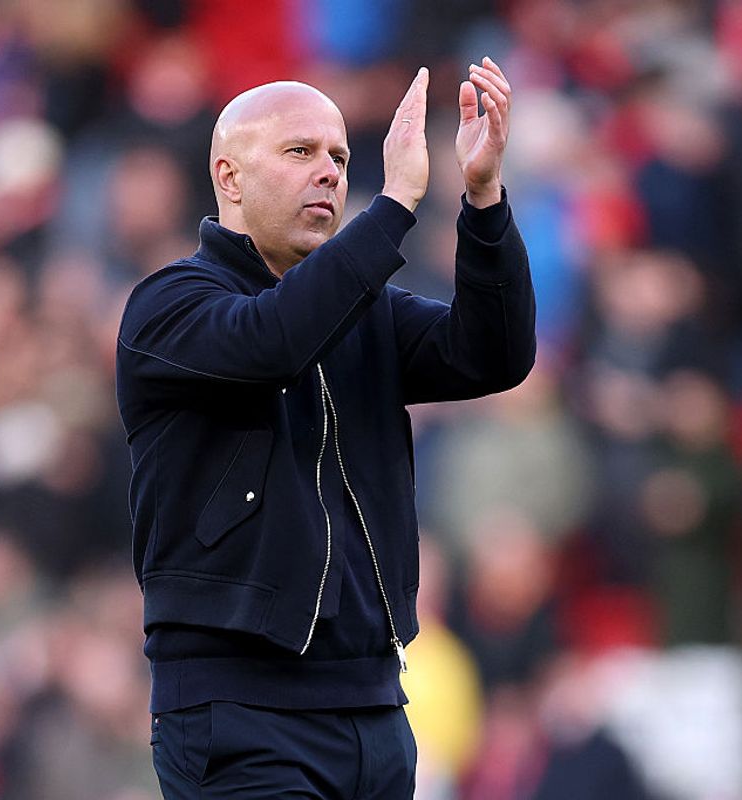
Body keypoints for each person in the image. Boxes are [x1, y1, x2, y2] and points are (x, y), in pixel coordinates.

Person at [115, 57, 535, 799]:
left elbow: (492, 356)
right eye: (300, 152)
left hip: (374, 708)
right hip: (239, 709)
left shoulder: (360, 307)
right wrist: (398, 201)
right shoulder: (169, 305)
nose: (331, 173)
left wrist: (482, 198)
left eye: (340, 156)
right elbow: (271, 340)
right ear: (230, 177)